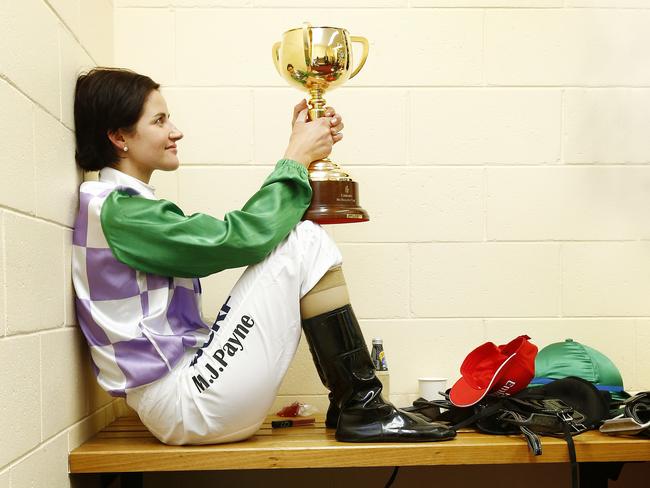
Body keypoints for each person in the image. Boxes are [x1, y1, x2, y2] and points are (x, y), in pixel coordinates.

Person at [71, 67, 454, 445]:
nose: (175, 131)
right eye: (159, 120)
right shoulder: (117, 210)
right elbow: (239, 240)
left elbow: (244, 237)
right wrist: (296, 157)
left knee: (302, 238)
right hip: (184, 404)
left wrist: (300, 151)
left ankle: (354, 402)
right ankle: (362, 406)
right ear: (119, 136)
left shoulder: (120, 205)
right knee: (304, 239)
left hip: (186, 395)